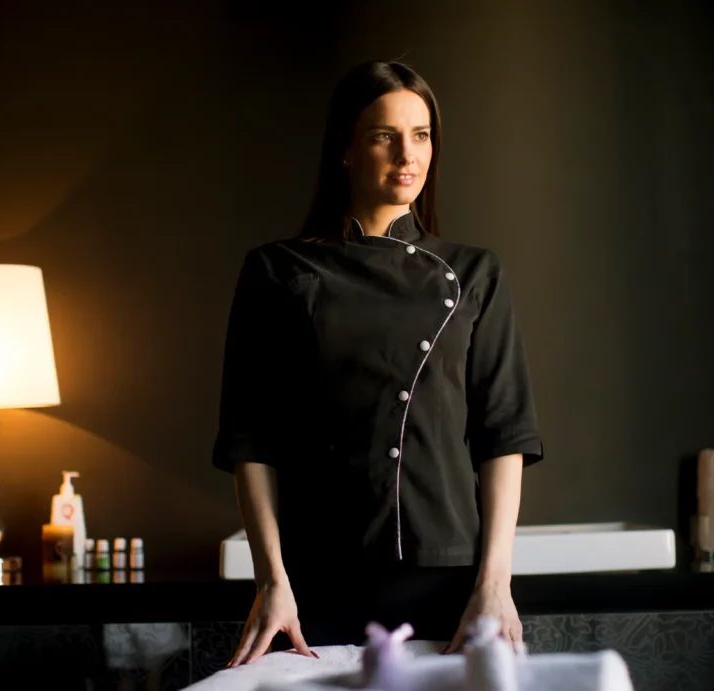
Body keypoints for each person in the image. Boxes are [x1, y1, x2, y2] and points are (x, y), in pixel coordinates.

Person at [212, 60, 544, 668]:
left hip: (450, 580)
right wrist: (271, 580)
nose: (407, 154)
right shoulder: (278, 271)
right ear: (344, 147)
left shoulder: (475, 273)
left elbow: (503, 437)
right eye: (383, 135)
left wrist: (494, 584)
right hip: (316, 582)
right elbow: (250, 440)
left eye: (421, 135)